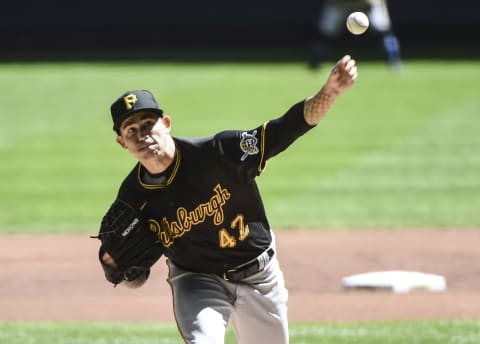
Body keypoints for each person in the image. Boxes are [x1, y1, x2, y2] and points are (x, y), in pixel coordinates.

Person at [99, 55, 357, 343]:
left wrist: (330, 91)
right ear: (122, 142)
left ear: (167, 123)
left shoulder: (219, 153)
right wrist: (116, 265)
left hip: (259, 274)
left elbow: (286, 127)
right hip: (196, 281)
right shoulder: (132, 197)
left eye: (147, 124)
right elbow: (134, 275)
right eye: (131, 130)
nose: (142, 135)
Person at [309, 0, 401, 70]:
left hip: (368, 3)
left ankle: (393, 60)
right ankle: (316, 60)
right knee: (327, 29)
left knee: (383, 29)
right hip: (342, 2)